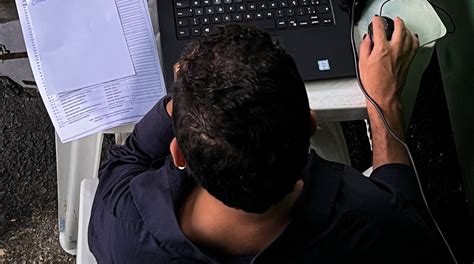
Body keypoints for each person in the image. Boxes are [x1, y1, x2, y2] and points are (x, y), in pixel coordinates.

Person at [89, 18, 446, 263]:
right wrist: (384, 104)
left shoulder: (122, 227)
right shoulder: (372, 222)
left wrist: (183, 100)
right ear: (310, 125)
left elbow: (127, 159)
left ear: (179, 152)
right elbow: (405, 208)